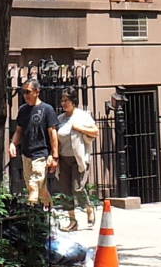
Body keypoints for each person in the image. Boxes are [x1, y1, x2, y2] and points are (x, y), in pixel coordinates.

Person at [9, 79, 60, 208]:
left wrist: (54, 156)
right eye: (23, 92)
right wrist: (13, 144)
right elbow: (19, 130)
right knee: (40, 188)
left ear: (37, 92)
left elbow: (52, 133)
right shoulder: (23, 110)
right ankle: (49, 211)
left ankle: (31, 213)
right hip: (26, 154)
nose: (25, 95)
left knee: (34, 184)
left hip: (41, 154)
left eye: (28, 92)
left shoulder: (47, 109)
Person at [54, 88, 99, 231]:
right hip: (63, 159)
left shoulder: (82, 116)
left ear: (73, 101)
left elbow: (95, 132)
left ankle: (88, 208)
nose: (63, 103)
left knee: (77, 188)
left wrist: (79, 128)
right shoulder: (60, 119)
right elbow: (56, 139)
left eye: (66, 100)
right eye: (62, 100)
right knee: (65, 191)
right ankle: (72, 221)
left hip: (79, 158)